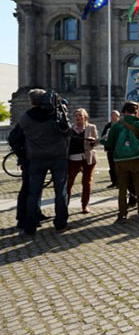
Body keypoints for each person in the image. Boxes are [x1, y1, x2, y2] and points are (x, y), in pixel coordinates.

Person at [18, 89, 71, 236]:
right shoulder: (57, 114)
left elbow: (14, 137)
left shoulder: (26, 117)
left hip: (36, 158)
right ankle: (60, 224)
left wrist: (23, 156)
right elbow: (68, 131)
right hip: (58, 157)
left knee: (33, 194)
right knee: (60, 192)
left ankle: (30, 227)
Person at [101, 101, 139, 223]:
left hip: (120, 161)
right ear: (135, 112)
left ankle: (122, 214)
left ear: (124, 111)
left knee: (122, 188)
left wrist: (101, 141)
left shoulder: (117, 125)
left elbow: (109, 143)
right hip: (137, 159)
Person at [66, 108, 98, 214]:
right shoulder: (70, 129)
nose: (78, 117)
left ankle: (85, 205)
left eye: (80, 115)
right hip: (73, 159)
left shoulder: (91, 127)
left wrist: (93, 141)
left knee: (86, 182)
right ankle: (65, 204)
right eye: (75, 116)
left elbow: (96, 142)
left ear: (85, 116)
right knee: (69, 182)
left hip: (87, 158)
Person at [101, 110, 120, 188]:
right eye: (111, 116)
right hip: (110, 148)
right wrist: (105, 136)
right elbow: (103, 135)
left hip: (118, 148)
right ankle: (114, 182)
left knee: (118, 166)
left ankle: (120, 182)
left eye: (114, 115)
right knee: (111, 166)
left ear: (118, 117)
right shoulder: (108, 125)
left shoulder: (120, 125)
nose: (112, 117)